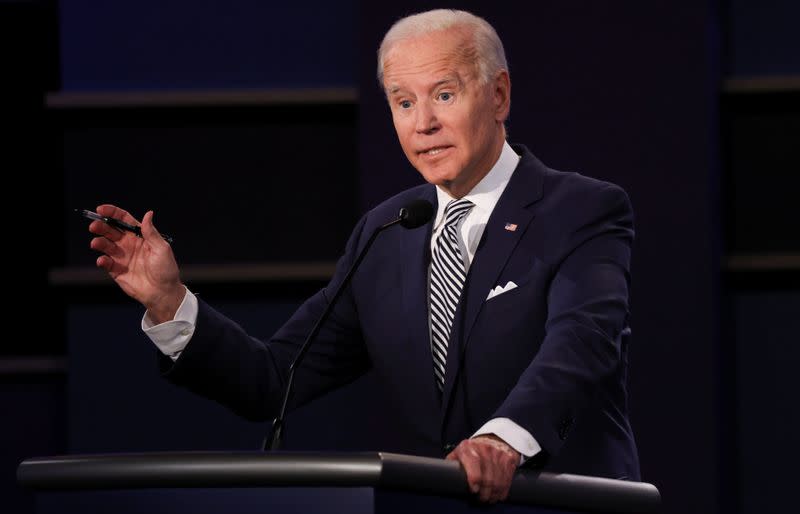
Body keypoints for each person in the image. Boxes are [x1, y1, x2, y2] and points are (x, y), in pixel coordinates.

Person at [88, 9, 639, 504]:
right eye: (403, 102)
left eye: (444, 95)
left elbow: (581, 344)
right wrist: (168, 302)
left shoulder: (581, 209)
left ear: (499, 96)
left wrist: (503, 438)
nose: (423, 123)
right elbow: (275, 377)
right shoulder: (386, 231)